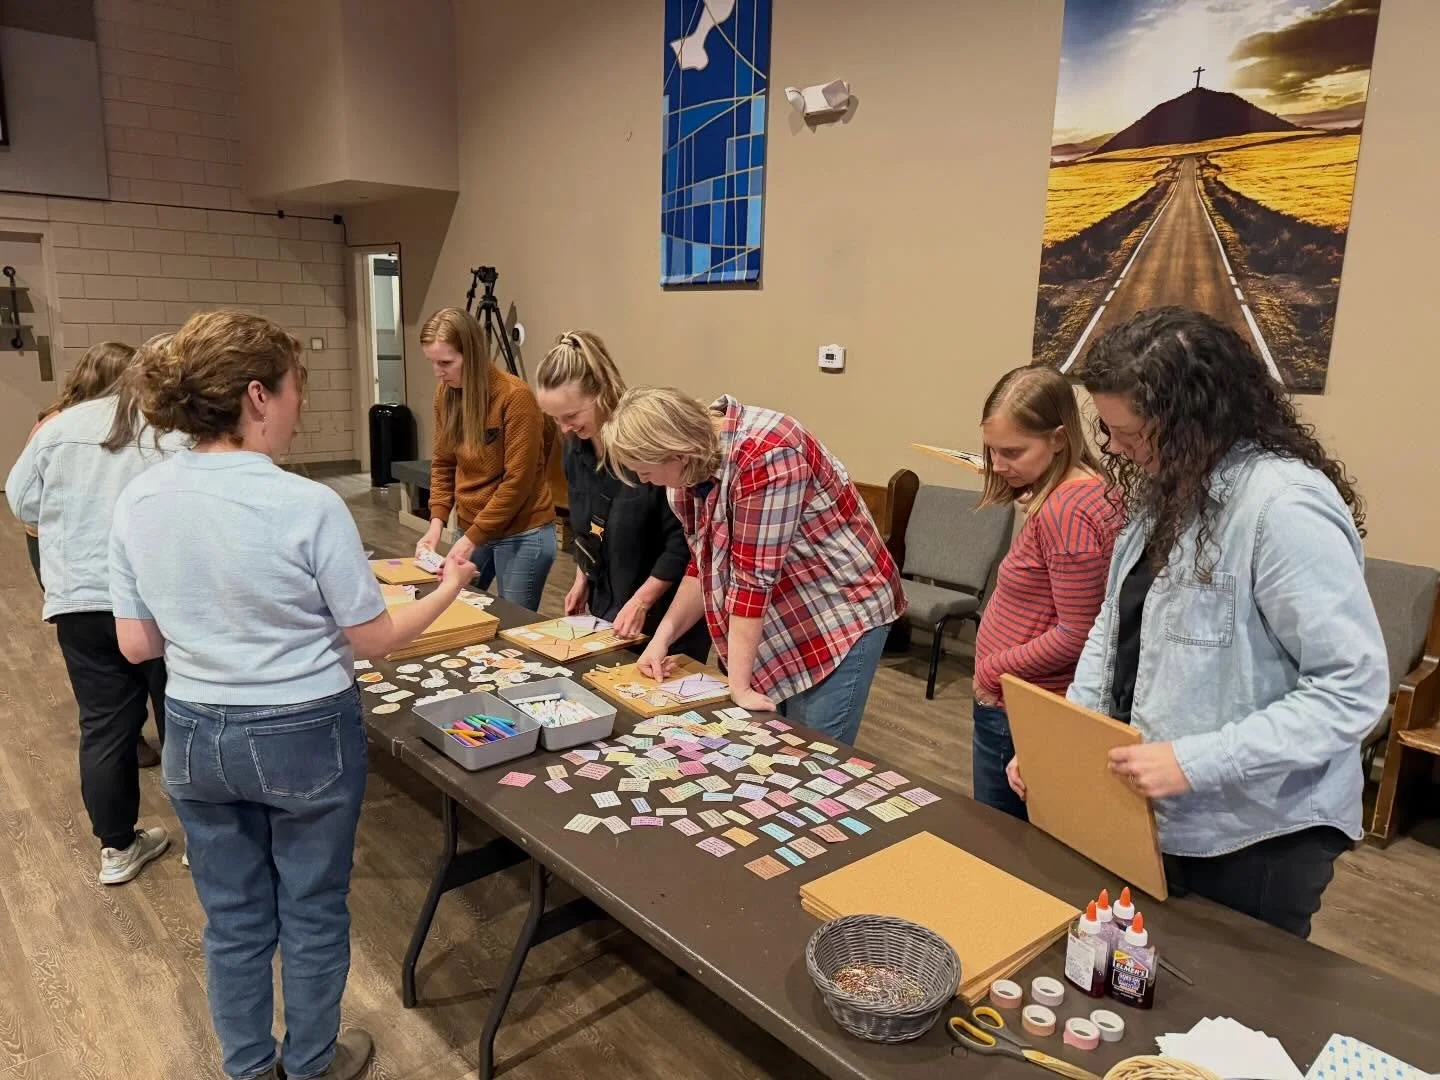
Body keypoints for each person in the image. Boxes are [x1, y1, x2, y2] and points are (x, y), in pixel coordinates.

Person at [110, 311, 475, 1080]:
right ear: (255, 397)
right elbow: (372, 638)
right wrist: (449, 592)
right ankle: (309, 1066)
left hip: (195, 732)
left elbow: (138, 645)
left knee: (234, 921)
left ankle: (248, 1068)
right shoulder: (307, 506)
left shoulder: (139, 500)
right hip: (304, 729)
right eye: (293, 389)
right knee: (311, 912)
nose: (299, 406)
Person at [1007, 307, 1388, 938]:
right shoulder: (1165, 486)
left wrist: (1197, 760)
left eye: (1130, 432)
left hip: (1255, 831)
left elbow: (1351, 690)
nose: (1117, 449)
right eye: (1108, 430)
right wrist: (1061, 749)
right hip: (1159, 814)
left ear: (1194, 418)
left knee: (1230, 1011)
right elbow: (1113, 630)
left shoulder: (1284, 507)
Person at [603, 388, 905, 745]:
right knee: (776, 742)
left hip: (840, 608)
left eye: (645, 472)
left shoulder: (769, 454)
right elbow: (705, 565)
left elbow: (752, 582)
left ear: (679, 454)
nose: (643, 481)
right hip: (782, 605)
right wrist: (662, 638)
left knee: (814, 752)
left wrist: (739, 687)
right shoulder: (686, 476)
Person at [5, 338, 179, 885]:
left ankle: (118, 848)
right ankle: (210, 839)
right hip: (157, 599)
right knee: (180, 716)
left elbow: (20, 502)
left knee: (104, 727)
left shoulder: (55, 427)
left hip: (79, 597)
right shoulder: (166, 429)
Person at [970, 365, 1122, 819]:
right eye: (992, 451)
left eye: (1013, 452)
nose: (998, 465)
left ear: (1058, 438)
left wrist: (993, 669)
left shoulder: (1066, 511)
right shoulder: (1088, 491)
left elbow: (1078, 632)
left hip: (1021, 701)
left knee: (1000, 839)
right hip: (1027, 696)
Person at [17, 340, 166, 768]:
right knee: (168, 696)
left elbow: (25, 505)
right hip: (142, 586)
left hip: (78, 583)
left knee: (102, 715)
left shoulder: (54, 424)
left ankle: (116, 834)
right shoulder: (157, 428)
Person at [535, 330, 709, 659]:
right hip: (609, 605)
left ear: (600, 393)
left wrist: (643, 600)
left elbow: (682, 545)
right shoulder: (575, 449)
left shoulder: (646, 445)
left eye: (571, 416)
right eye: (555, 419)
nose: (564, 428)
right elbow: (587, 525)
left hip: (664, 612)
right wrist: (581, 578)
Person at [416, 307, 556, 611]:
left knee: (512, 623)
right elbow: (443, 463)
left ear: (472, 355)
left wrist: (470, 539)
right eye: (432, 362)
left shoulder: (514, 397)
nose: (438, 372)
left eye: (446, 362)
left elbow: (517, 481)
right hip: (471, 526)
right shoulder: (446, 394)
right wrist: (436, 523)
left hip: (521, 531)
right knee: (454, 610)